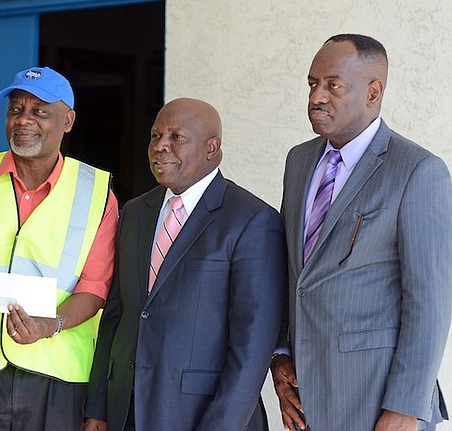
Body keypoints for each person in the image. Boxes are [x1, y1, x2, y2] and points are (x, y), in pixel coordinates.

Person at [271, 34, 452, 431]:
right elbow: (294, 272)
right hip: (308, 398)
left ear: (373, 92)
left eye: (333, 85)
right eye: (312, 84)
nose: (317, 97)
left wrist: (406, 407)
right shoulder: (299, 160)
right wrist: (281, 354)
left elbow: (429, 302)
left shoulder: (417, 170)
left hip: (377, 400)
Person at [0, 66, 119, 430]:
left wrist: (53, 323)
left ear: (68, 120)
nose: (24, 120)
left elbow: (96, 289)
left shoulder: (95, 194)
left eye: (39, 111)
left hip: (55, 377)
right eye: (16, 109)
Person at [84, 97, 287, 430]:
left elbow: (253, 345)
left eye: (176, 137)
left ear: (212, 147)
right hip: (127, 412)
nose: (160, 147)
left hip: (201, 415)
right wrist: (98, 408)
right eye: (154, 136)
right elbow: (116, 316)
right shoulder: (135, 212)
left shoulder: (251, 219)